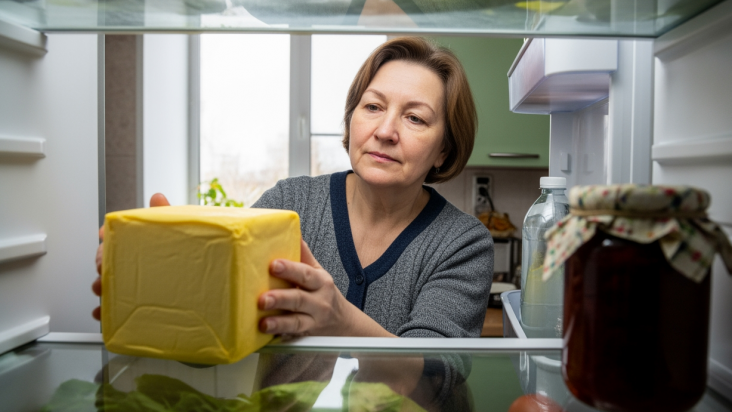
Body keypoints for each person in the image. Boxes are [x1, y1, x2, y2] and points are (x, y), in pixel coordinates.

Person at [92, 37, 493, 343]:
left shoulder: (461, 243)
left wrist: (342, 320)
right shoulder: (290, 204)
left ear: (444, 148)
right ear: (352, 117)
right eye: (372, 107)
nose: (385, 131)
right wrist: (163, 278)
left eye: (414, 118)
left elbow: (437, 374)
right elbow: (228, 319)